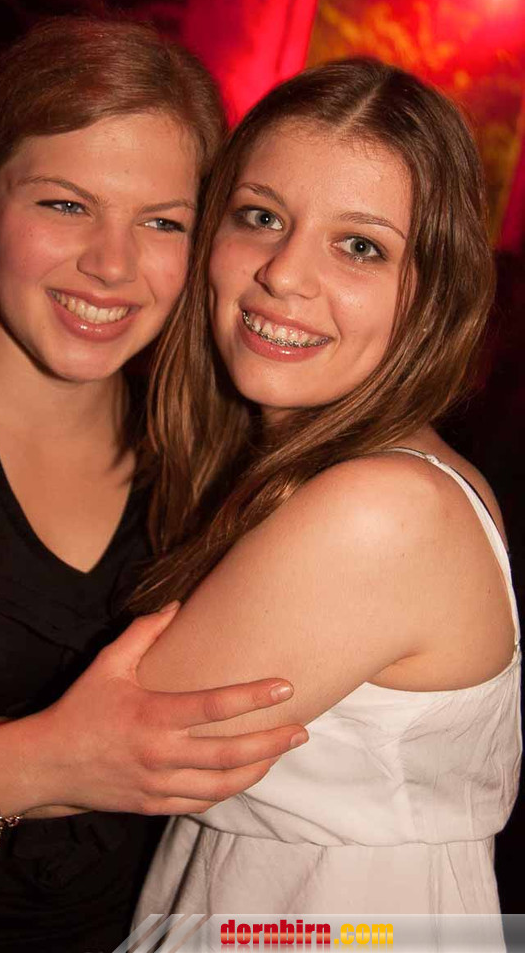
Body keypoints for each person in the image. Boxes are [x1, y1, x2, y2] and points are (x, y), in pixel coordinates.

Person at [0, 17, 308, 952]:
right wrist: (48, 759)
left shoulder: (202, 461)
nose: (111, 264)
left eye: (162, 222)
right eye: (65, 204)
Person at [133, 58, 521, 925]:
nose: (283, 273)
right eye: (261, 217)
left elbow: (93, 753)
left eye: (359, 246)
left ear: (433, 295)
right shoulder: (348, 474)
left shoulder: (381, 509)